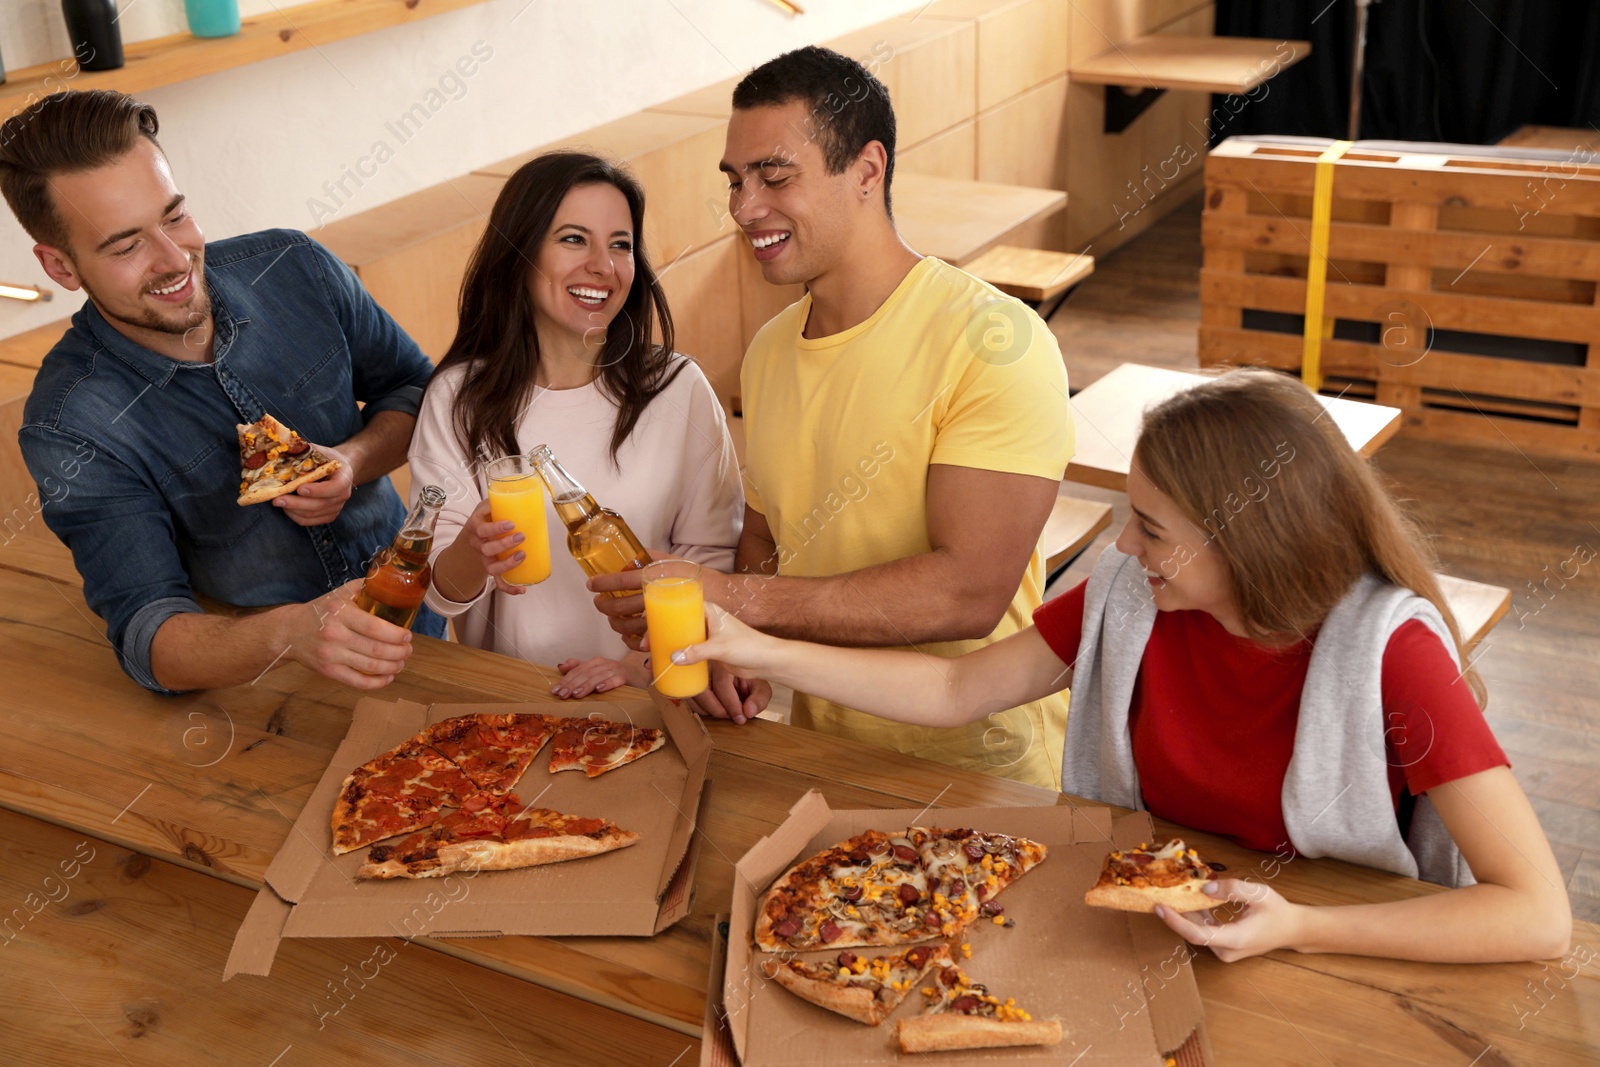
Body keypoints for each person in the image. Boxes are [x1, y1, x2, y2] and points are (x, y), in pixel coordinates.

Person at [675, 368, 1572, 964]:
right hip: (1146, 936)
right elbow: (955, 688)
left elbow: (1536, 913)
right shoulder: (1133, 592)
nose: (1118, 542)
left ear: (1246, 540)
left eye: (1150, 526)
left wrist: (1299, 925)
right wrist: (760, 648)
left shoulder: (1392, 652)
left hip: (1334, 953)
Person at [590, 46, 1074, 789]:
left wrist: (733, 600)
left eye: (775, 176)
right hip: (825, 761)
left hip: (987, 774)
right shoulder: (770, 351)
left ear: (868, 170)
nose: (745, 207)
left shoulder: (994, 343)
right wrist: (734, 643)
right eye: (736, 180)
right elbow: (767, 537)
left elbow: (970, 590)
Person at [1, 91, 438, 693]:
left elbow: (417, 389)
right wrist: (289, 634)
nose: (175, 257)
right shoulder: (70, 423)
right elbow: (148, 634)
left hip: (424, 619)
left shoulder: (297, 265)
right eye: (127, 246)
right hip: (262, 685)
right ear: (61, 268)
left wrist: (353, 459)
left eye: (175, 216)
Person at [407, 152, 744, 699]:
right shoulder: (458, 398)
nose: (603, 266)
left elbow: (710, 564)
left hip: (656, 689)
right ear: (519, 253)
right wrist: (474, 549)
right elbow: (441, 592)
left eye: (620, 244)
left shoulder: (678, 388)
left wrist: (639, 667)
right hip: (510, 702)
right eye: (573, 239)